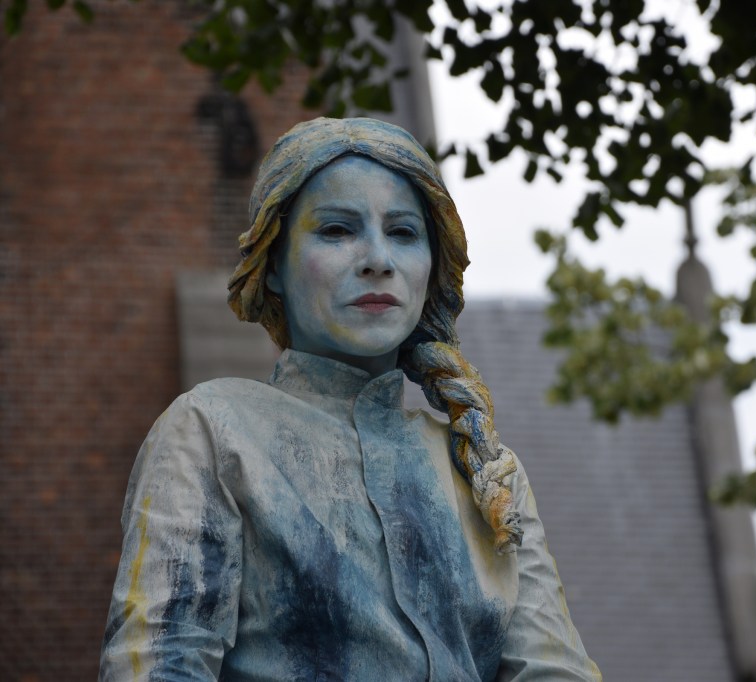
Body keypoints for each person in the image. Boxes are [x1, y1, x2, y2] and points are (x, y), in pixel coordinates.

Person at [99, 117, 601, 681]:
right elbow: (161, 664)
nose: (378, 259)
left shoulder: (485, 473)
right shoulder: (211, 431)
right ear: (274, 266)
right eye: (337, 230)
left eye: (404, 233)